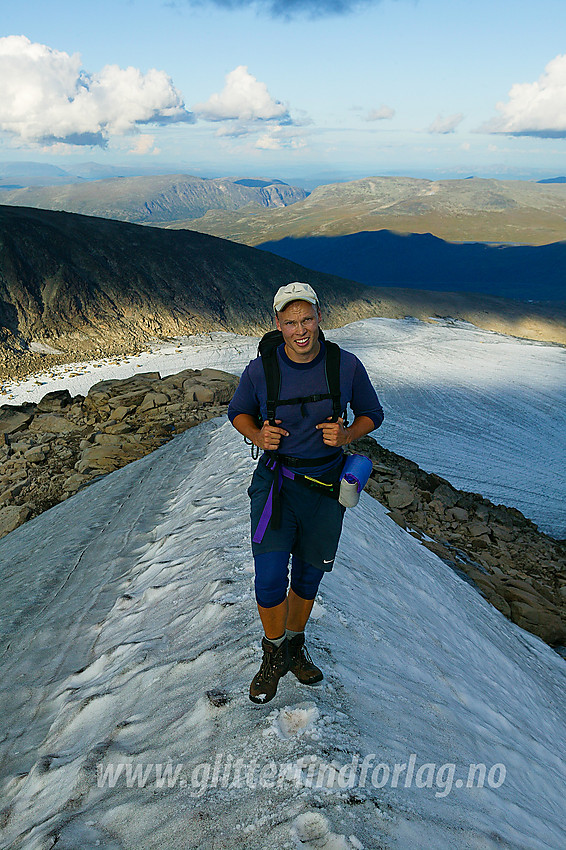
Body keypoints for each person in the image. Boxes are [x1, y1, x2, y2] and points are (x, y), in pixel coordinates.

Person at [228, 282, 384, 703]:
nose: (301, 330)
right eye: (291, 322)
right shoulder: (262, 369)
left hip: (326, 486)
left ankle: (293, 645)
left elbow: (373, 413)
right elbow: (237, 411)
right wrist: (259, 435)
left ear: (319, 318)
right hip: (277, 485)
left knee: (310, 574)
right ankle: (273, 652)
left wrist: (348, 432)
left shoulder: (345, 366)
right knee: (270, 577)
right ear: (277, 324)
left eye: (307, 319)